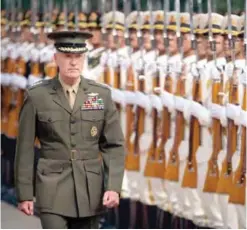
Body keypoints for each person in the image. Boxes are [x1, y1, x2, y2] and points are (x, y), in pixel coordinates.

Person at [14, 30, 125, 229]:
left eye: (78, 57)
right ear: (56, 58)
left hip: (90, 190)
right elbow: (24, 149)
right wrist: (24, 194)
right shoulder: (37, 96)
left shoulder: (101, 95)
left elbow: (114, 145)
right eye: (67, 56)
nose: (73, 62)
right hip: (52, 187)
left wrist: (113, 187)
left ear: (84, 59)